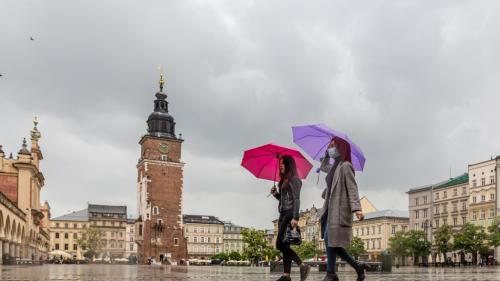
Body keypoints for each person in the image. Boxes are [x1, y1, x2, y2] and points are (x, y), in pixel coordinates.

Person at [319, 137, 369, 281]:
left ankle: (331, 274)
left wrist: (357, 209)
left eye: (333, 146)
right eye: (330, 146)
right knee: (331, 241)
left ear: (341, 148)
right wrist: (327, 154)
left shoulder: (346, 166)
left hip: (339, 209)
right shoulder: (334, 166)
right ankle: (356, 266)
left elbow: (352, 188)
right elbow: (323, 167)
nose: (331, 148)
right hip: (329, 209)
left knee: (330, 239)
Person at [271, 155, 311, 281]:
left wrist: (296, 217)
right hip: (282, 214)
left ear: (288, 165)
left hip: (289, 214)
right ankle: (286, 275)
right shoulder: (284, 181)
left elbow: (296, 199)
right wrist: (276, 194)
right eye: (279, 163)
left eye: (282, 163)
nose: (280, 165)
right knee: (286, 245)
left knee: (279, 244)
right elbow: (284, 200)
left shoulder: (294, 179)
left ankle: (302, 264)